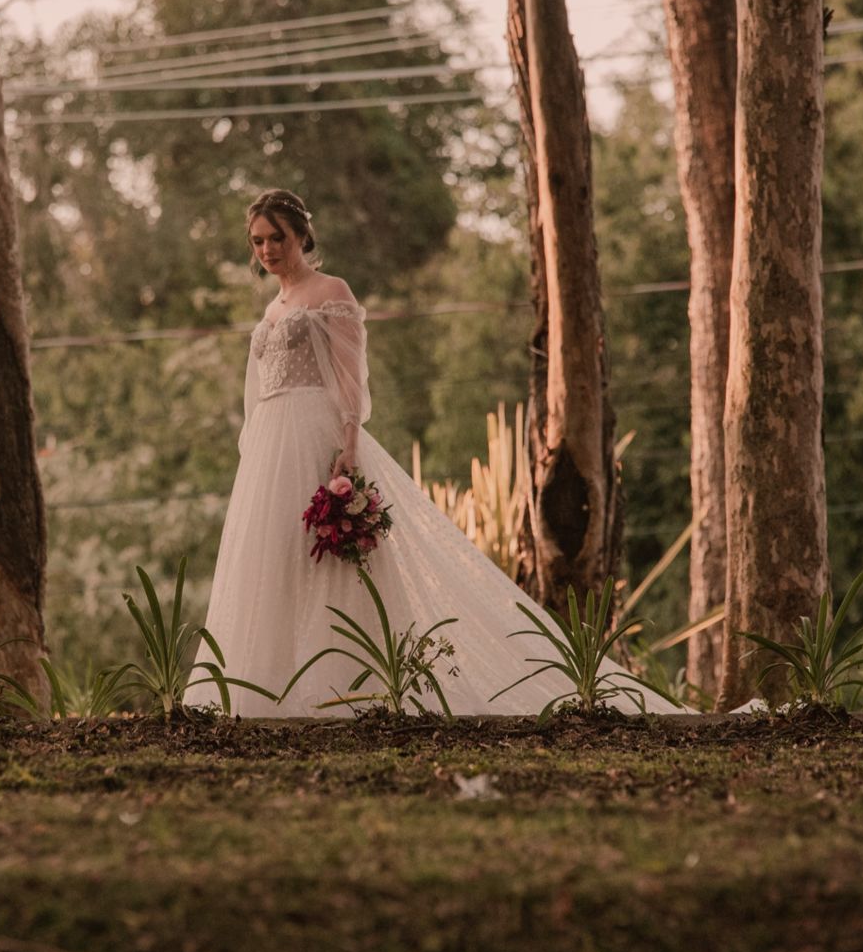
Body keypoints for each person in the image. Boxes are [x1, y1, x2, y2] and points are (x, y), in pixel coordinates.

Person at [184, 188, 686, 718]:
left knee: (334, 567)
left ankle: (346, 688)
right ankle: (268, 691)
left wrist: (348, 448)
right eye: (258, 242)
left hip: (317, 437)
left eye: (276, 238)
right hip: (270, 446)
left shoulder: (331, 291)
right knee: (274, 559)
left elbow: (352, 379)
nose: (267, 250)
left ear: (301, 236)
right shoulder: (273, 307)